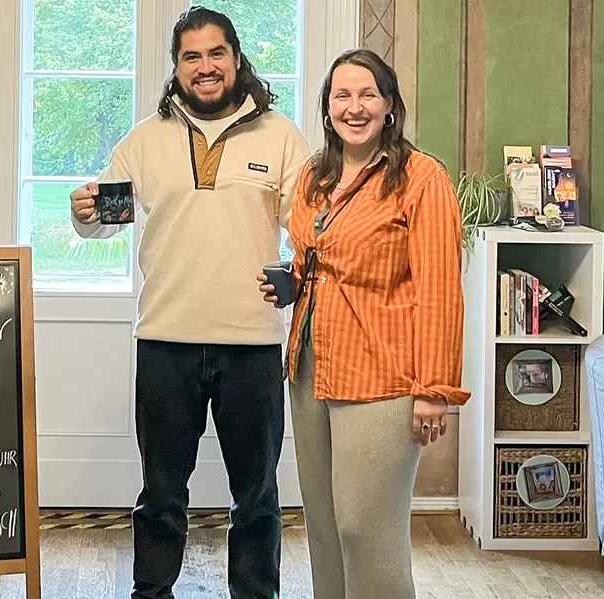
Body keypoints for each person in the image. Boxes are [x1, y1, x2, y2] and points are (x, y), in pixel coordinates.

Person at [69, 6, 311, 598]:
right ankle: (151, 593)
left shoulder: (281, 135)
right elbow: (105, 220)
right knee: (161, 494)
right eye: (191, 57)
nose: (205, 67)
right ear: (176, 67)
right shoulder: (146, 141)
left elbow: (307, 229)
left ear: (236, 58)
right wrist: (83, 216)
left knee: (256, 497)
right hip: (165, 343)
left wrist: (297, 280)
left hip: (252, 343)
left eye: (215, 53)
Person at [257, 48, 471, 599]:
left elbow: (441, 293)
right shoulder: (314, 175)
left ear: (390, 105)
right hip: (309, 371)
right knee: (324, 530)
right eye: (341, 95)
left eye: (367, 94)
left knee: (365, 529)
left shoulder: (422, 180)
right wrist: (291, 282)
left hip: (383, 380)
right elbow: (314, 260)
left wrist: (433, 392)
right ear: (327, 108)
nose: (354, 107)